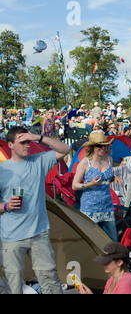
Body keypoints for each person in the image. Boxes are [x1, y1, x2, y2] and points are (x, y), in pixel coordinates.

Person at [0, 126, 71, 294]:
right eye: (22, 142)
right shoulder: (3, 171)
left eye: (28, 142)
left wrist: (37, 137)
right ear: (10, 145)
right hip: (10, 237)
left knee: (50, 281)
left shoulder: (39, 161)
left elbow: (66, 149)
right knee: (13, 285)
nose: (27, 145)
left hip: (38, 233)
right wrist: (5, 206)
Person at [72, 131, 118, 241]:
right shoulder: (85, 162)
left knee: (111, 240)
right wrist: (90, 184)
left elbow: (107, 179)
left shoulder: (109, 159)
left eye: (104, 145)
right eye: (99, 145)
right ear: (92, 147)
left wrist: (114, 178)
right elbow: (74, 185)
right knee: (92, 240)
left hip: (107, 206)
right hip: (90, 207)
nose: (102, 148)